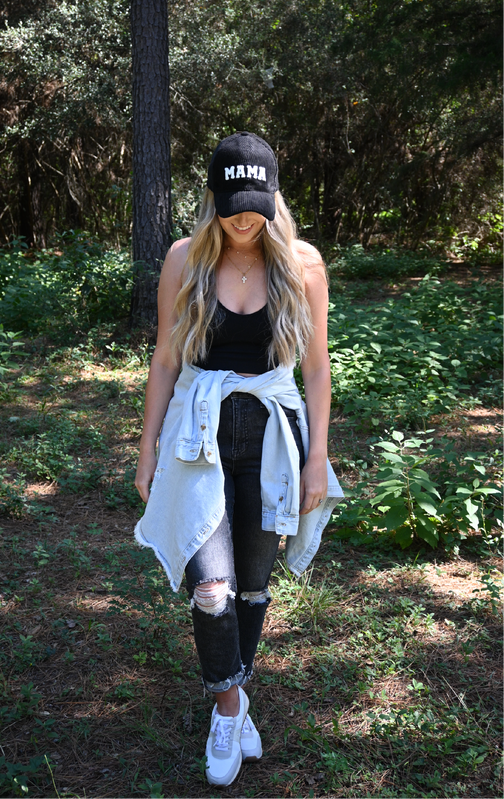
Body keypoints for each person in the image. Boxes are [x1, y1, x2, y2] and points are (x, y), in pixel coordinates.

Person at [134, 131, 343, 787]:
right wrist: (144, 450)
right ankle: (228, 705)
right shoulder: (183, 260)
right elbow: (166, 359)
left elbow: (315, 368)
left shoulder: (302, 264)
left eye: (255, 202)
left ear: (273, 196)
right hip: (198, 439)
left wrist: (317, 460)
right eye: (232, 204)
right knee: (212, 587)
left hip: (273, 440)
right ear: (212, 199)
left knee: (252, 585)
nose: (244, 216)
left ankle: (234, 686)